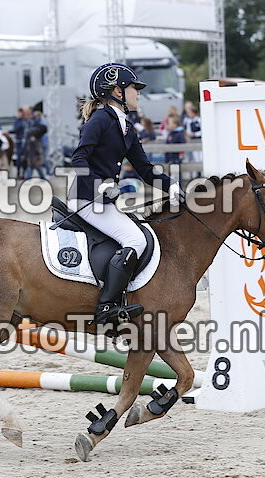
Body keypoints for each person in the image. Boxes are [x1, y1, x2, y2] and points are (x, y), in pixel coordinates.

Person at [70, 62, 181, 327]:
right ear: (117, 91)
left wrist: (172, 186)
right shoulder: (99, 119)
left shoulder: (126, 127)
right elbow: (78, 158)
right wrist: (99, 184)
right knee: (135, 239)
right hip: (88, 198)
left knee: (139, 232)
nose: (138, 94)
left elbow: (144, 168)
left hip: (103, 200)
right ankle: (106, 306)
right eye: (134, 88)